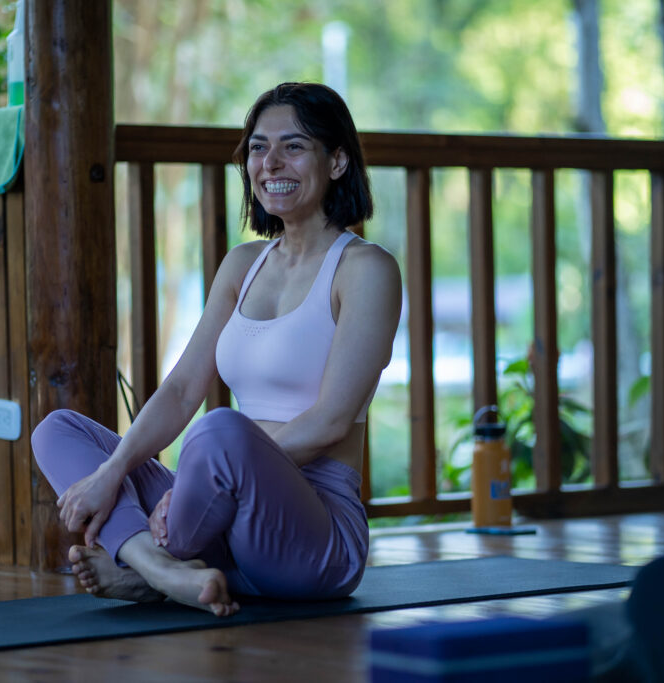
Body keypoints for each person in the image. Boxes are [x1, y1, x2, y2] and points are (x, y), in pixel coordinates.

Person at [31, 82, 402, 617]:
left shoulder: (366, 270)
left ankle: (146, 569)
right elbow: (182, 389)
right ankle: (160, 568)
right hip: (216, 497)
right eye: (257, 146)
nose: (270, 161)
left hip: (314, 533)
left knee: (219, 428)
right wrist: (113, 470)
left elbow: (330, 421)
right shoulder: (243, 265)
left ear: (338, 160)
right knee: (59, 430)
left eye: (294, 146)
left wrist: (194, 488)